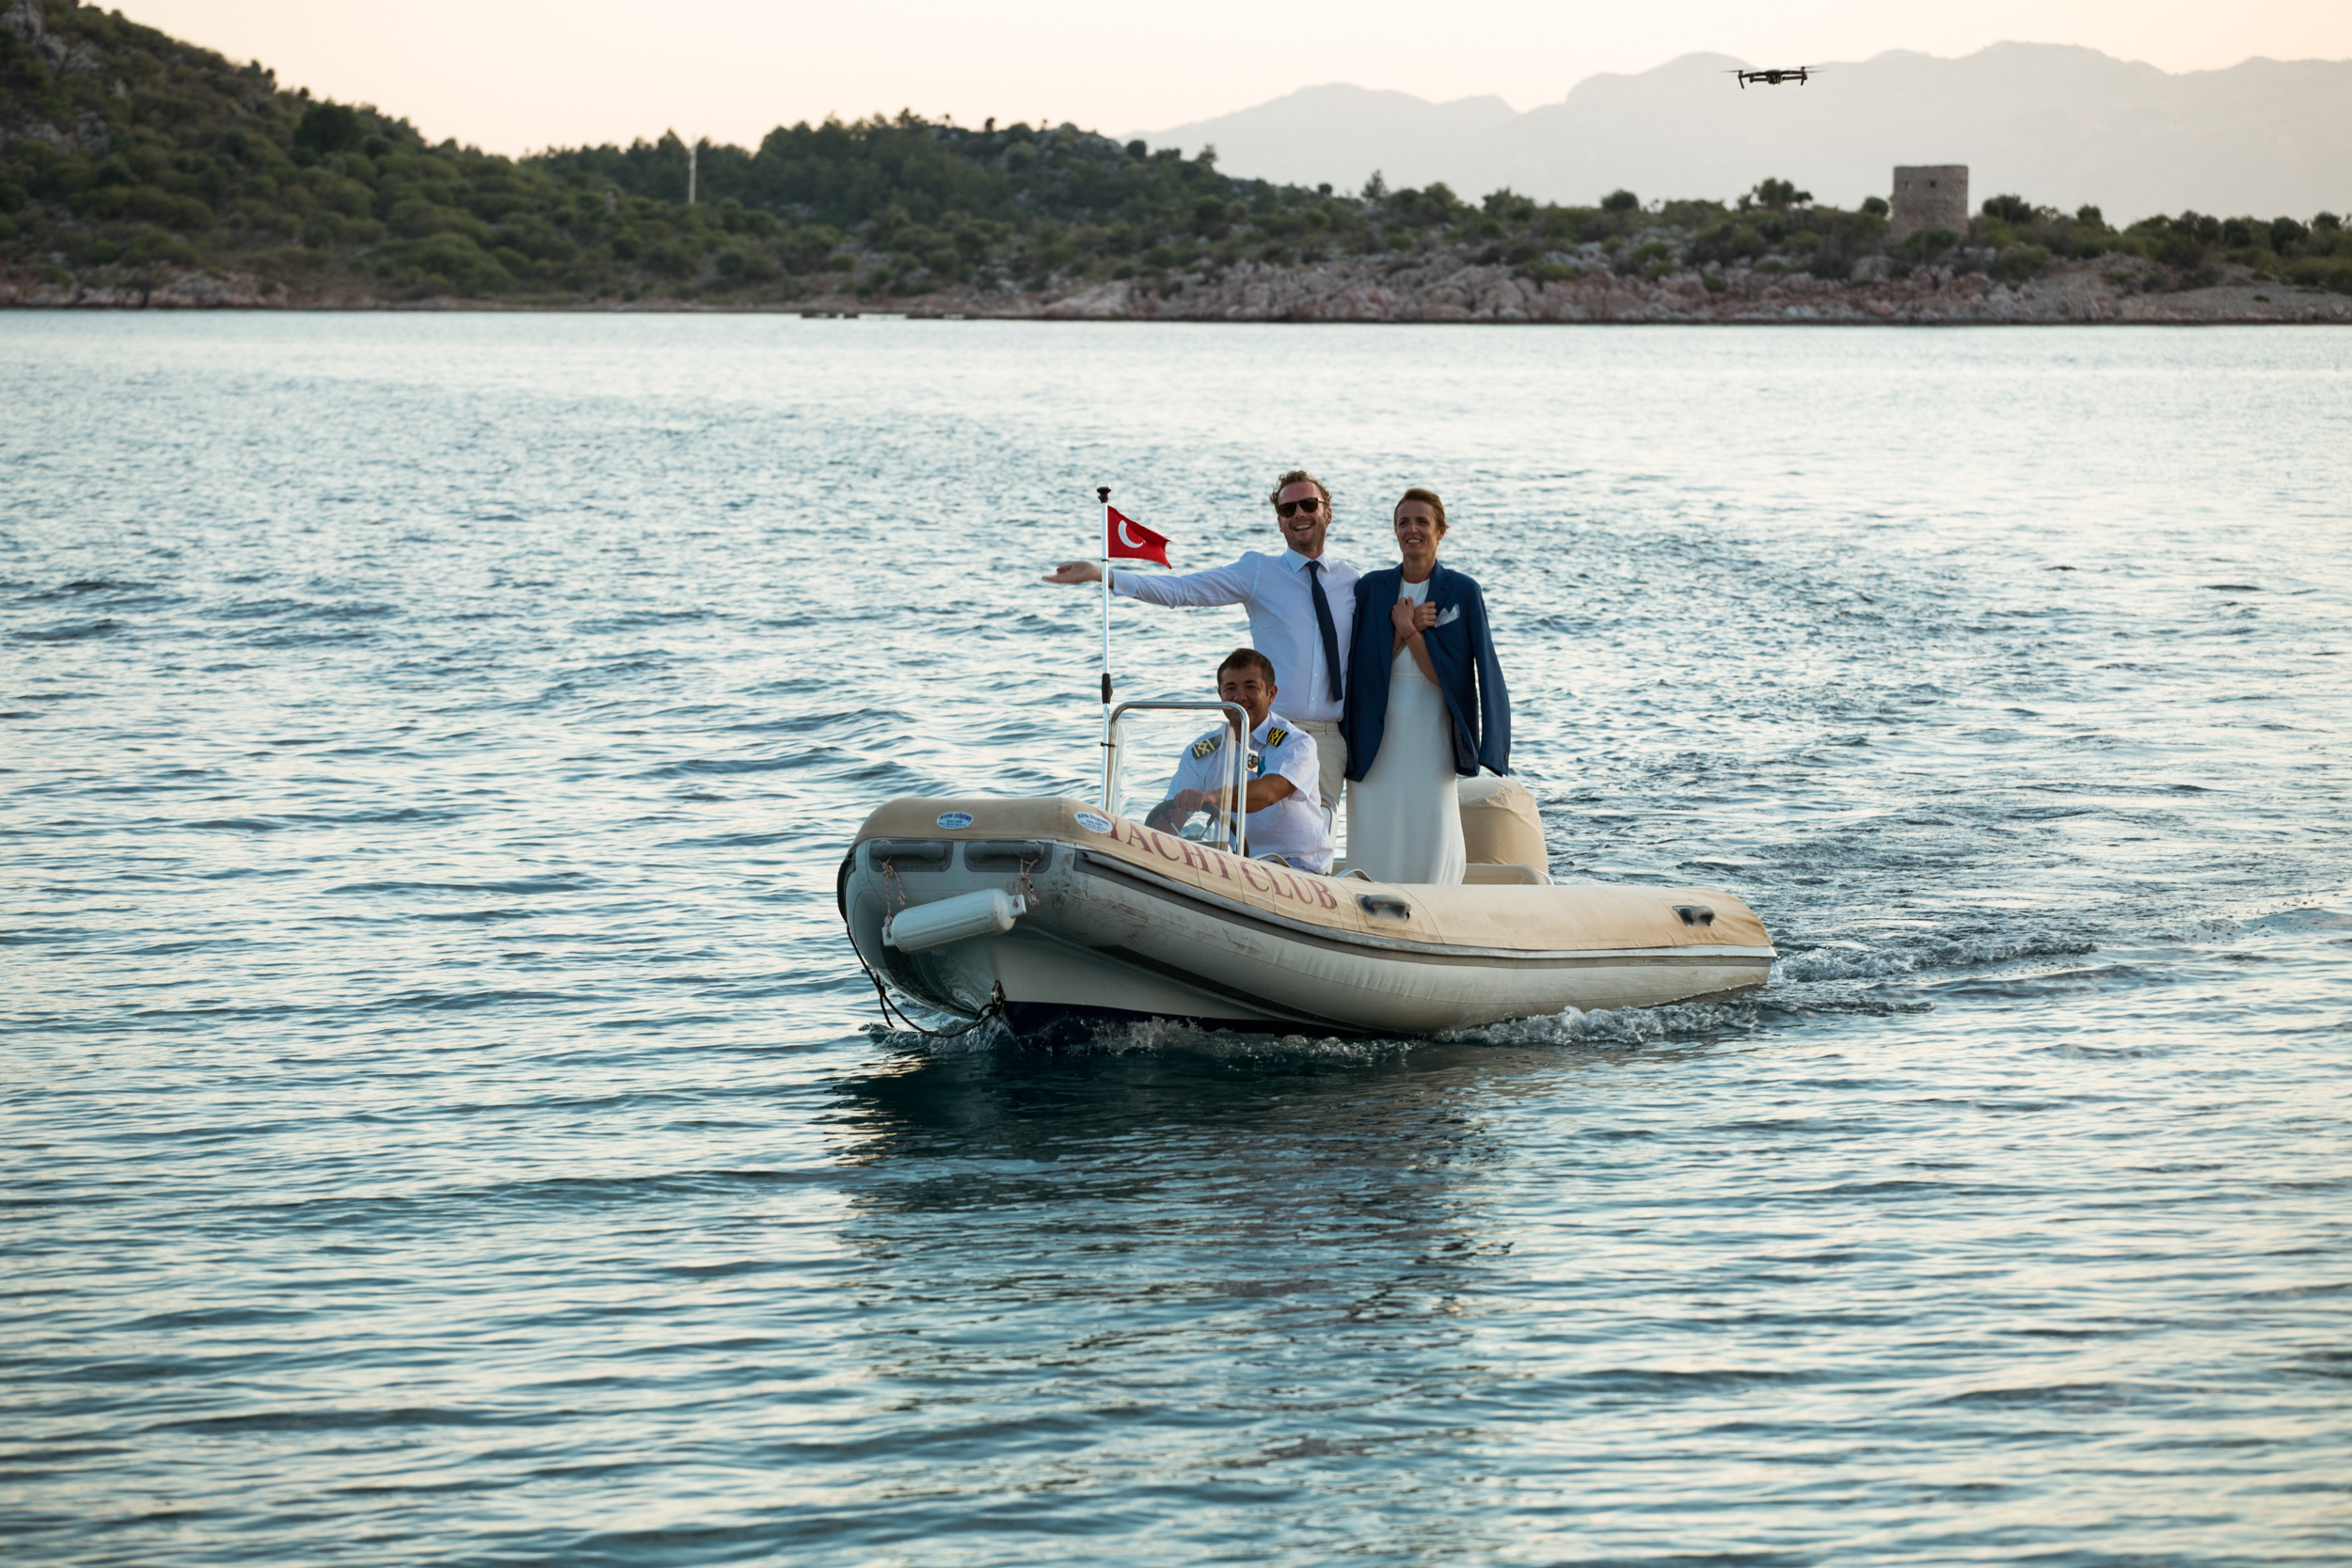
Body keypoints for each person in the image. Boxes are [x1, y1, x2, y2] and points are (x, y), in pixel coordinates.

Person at [1044, 470, 1358, 820]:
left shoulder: (1353, 583)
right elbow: (1183, 591)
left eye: (1308, 504)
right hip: (1267, 730)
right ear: (1280, 524)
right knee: (1253, 829)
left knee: (1317, 836)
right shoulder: (1258, 572)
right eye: (1288, 510)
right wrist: (1106, 575)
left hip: (1329, 737)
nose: (1299, 514)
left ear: (1326, 513)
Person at [1341, 488, 1509, 885]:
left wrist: (1408, 629)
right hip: (1375, 732)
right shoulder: (1371, 588)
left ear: (1441, 531)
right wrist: (1405, 630)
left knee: (1430, 817)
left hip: (1430, 729)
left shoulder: (1463, 591)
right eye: (1403, 522)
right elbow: (1364, 668)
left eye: (1421, 522)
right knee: (1376, 819)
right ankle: (1370, 894)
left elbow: (1453, 677)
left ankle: (1435, 902)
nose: (1411, 530)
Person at [1144, 648, 1333, 875]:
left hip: (1295, 868)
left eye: (1251, 688)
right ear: (1220, 694)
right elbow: (1170, 817)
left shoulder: (1296, 744)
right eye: (1230, 688)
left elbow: (1269, 792)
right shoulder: (1201, 751)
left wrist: (1212, 798)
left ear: (1271, 694)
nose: (1239, 697)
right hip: (1231, 866)